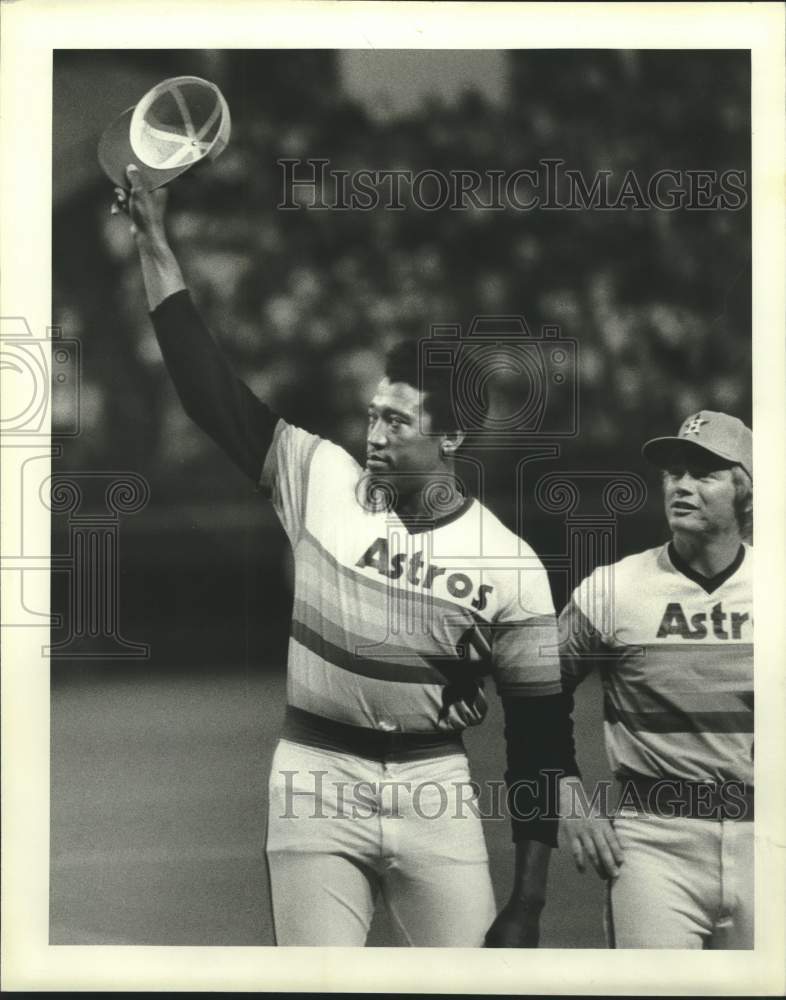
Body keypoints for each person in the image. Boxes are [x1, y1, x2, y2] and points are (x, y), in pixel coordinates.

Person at [115, 165, 577, 947]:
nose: (376, 433)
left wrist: (528, 899)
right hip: (315, 774)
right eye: (373, 414)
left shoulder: (512, 564)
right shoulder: (320, 475)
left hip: (437, 788)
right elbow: (208, 391)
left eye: (399, 421)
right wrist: (156, 244)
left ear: (452, 439)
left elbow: (538, 744)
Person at [558, 410, 753, 949]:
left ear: (744, 491)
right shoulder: (613, 590)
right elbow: (535, 692)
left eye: (704, 473)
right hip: (653, 842)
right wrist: (567, 793)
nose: (682, 485)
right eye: (674, 473)